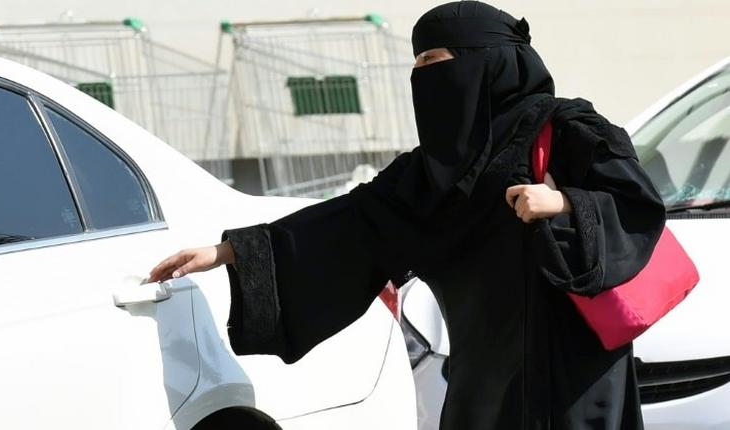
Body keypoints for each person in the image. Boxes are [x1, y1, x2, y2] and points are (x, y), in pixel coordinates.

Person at [149, 2, 665, 428]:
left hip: (572, 378)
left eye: (435, 61)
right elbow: (351, 223)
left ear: (483, 61)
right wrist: (230, 251)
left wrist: (565, 204)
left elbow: (636, 204)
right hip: (481, 383)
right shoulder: (429, 172)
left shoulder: (568, 127)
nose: (422, 77)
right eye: (416, 65)